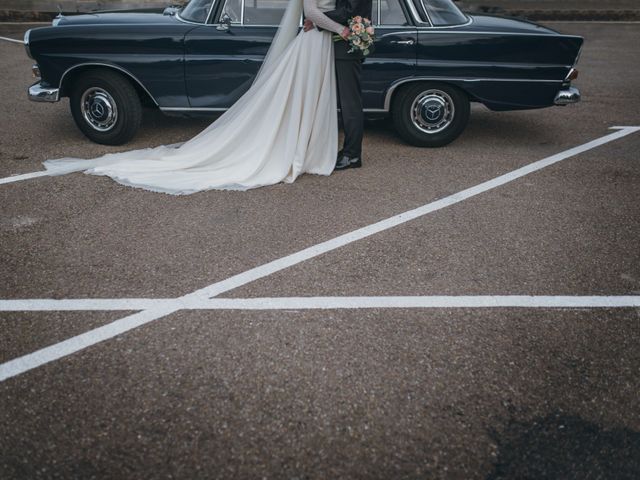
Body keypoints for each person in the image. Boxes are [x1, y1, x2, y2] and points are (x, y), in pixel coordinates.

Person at [42, 0, 353, 195]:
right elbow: (310, 10)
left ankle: (304, 145)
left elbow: (313, 12)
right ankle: (306, 145)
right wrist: (341, 29)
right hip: (321, 40)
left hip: (323, 41)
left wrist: (342, 30)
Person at [304, 0, 373, 170]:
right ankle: (347, 151)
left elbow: (349, 11)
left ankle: (353, 155)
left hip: (347, 46)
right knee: (343, 102)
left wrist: (316, 20)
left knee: (350, 103)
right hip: (339, 44)